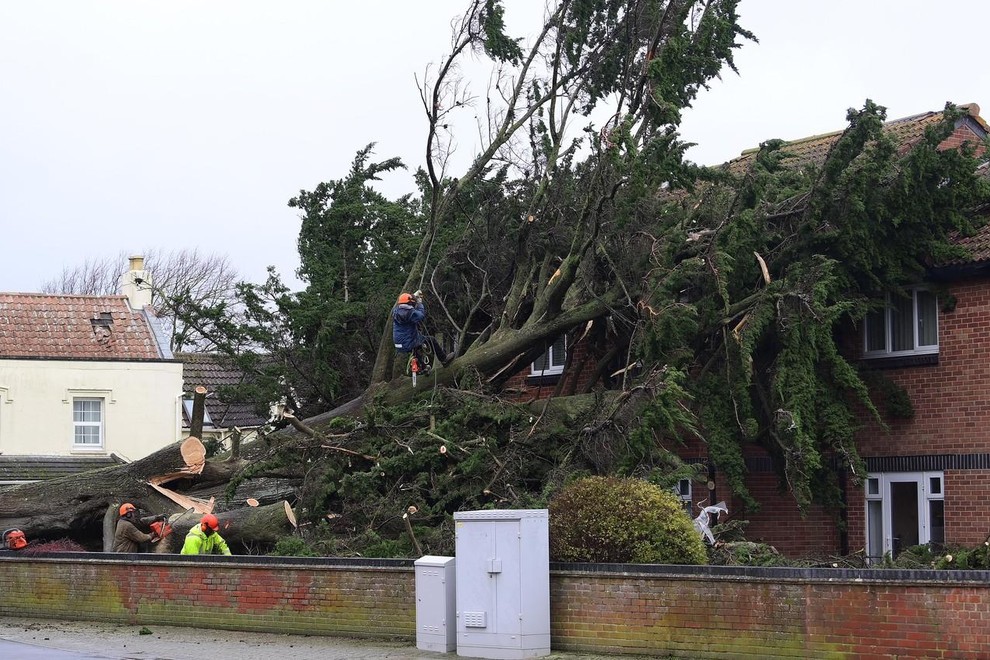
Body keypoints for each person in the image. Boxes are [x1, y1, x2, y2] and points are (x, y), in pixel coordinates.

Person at [392, 290, 453, 367]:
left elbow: (407, 304)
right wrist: (419, 303)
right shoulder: (410, 313)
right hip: (409, 342)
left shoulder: (396, 311)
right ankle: (444, 359)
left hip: (398, 344)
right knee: (432, 340)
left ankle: (423, 368)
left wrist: (414, 296)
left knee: (417, 349)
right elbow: (420, 315)